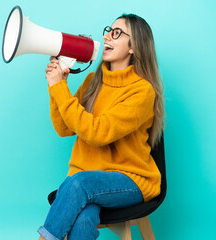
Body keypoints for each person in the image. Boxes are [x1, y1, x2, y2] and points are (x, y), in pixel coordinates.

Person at [38, 13, 165, 240]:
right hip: (88, 180)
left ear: (134, 47)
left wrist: (60, 89)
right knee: (84, 218)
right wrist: (57, 86)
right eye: (109, 30)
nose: (107, 36)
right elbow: (64, 128)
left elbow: (98, 133)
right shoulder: (93, 81)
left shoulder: (142, 91)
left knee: (77, 184)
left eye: (117, 33)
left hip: (131, 179)